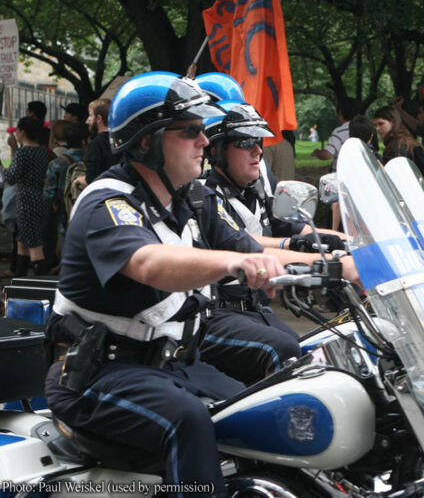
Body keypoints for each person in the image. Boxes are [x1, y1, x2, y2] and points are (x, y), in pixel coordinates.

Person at [43, 72, 283, 495]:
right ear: (146, 142)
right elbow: (150, 263)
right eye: (190, 131)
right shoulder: (108, 203)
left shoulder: (182, 199)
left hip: (170, 363)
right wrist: (235, 263)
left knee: (264, 410)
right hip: (99, 375)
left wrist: (349, 264)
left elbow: (258, 246)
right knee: (187, 419)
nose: (205, 142)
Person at [200, 100, 356, 384]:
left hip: (254, 308)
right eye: (246, 142)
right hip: (217, 311)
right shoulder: (206, 196)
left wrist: (358, 242)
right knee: (285, 350)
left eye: (258, 141)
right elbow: (244, 243)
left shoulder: (254, 192)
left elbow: (298, 227)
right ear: (216, 150)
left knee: (318, 349)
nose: (258, 150)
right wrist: (335, 264)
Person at [5, 116, 51, 276]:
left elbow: (11, 178)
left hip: (26, 201)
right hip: (38, 198)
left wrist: (3, 168)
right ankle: (19, 275)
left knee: (33, 244)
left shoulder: (23, 153)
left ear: (22, 132)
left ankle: (41, 280)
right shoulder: (42, 152)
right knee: (22, 241)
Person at [43, 122, 89, 267]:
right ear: (85, 141)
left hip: (64, 215)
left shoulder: (56, 164)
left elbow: (48, 194)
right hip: (88, 212)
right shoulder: (92, 161)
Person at [311, 97, 359, 230]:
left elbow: (327, 154)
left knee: (337, 214)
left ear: (340, 113)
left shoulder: (340, 131)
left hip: (341, 181)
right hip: (359, 179)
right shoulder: (363, 128)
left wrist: (316, 152)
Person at [83, 98, 119, 184]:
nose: (88, 120)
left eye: (91, 115)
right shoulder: (121, 139)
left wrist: (80, 180)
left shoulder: (97, 143)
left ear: (99, 118)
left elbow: (92, 178)